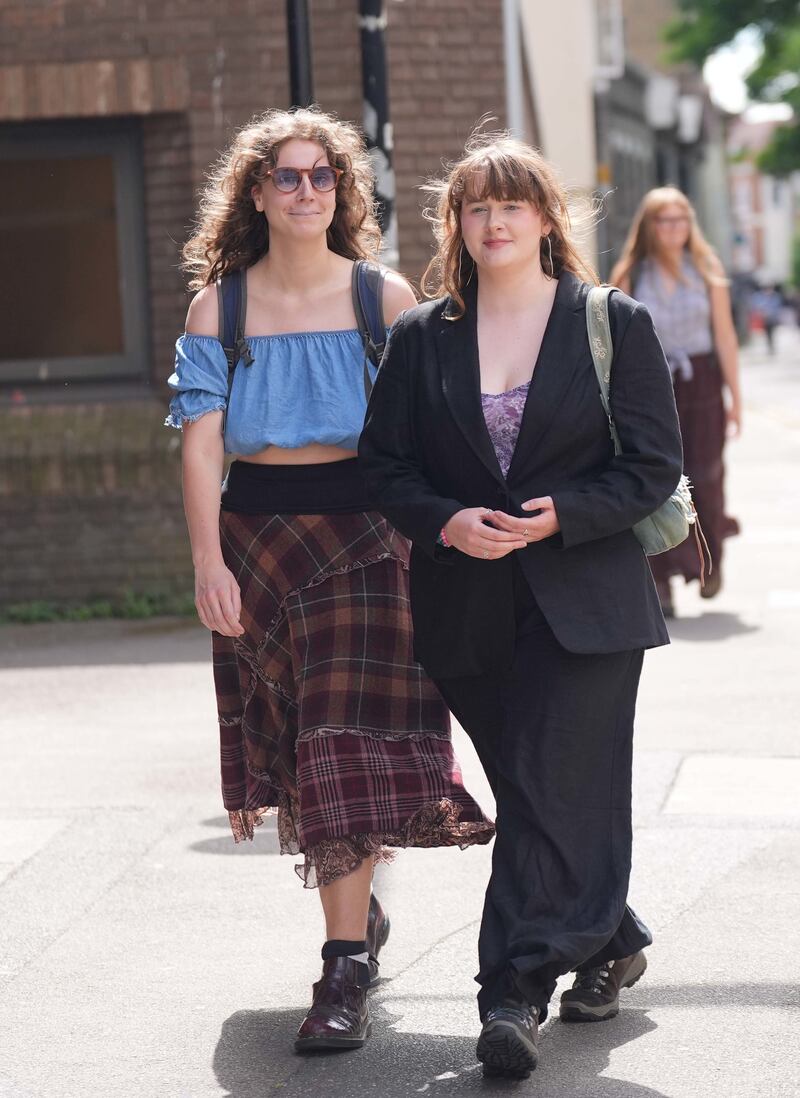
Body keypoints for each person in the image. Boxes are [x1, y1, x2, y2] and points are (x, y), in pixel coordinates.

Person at [165, 107, 493, 1054]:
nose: (306, 191)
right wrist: (204, 562)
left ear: (341, 193)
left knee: (342, 745)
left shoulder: (379, 299)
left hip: (367, 541)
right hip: (259, 541)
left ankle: (342, 964)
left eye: (323, 177)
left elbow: (438, 427)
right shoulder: (217, 308)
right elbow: (200, 451)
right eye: (287, 177)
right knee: (305, 750)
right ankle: (358, 924)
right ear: (257, 194)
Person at [359, 134, 683, 1079]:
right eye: (474, 207)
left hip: (587, 603)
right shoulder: (424, 335)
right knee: (545, 791)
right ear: (456, 224)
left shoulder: (609, 321)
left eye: (511, 204)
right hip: (465, 605)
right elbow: (386, 467)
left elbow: (653, 465)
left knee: (551, 781)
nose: (493, 222)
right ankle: (612, 936)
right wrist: (448, 521)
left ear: (547, 217)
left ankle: (511, 990)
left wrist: (564, 518)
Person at [611, 187, 742, 613]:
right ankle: (662, 580)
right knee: (657, 477)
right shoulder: (631, 272)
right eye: (663, 220)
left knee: (706, 474)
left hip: (701, 381)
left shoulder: (705, 269)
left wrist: (736, 397)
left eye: (680, 219)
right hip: (650, 385)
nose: (673, 228)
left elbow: (724, 335)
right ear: (649, 226)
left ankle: (710, 561)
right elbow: (613, 340)